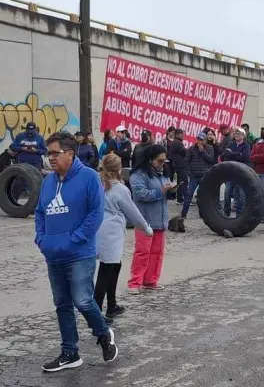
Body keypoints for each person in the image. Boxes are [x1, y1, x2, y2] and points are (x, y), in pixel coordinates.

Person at [34, 131, 117, 372]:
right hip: (53, 254)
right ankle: (70, 353)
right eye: (48, 153)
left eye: (55, 153)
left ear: (70, 154)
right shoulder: (48, 181)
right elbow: (40, 212)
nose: (50, 158)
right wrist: (41, 239)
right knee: (62, 304)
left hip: (80, 254)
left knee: (82, 300)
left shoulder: (90, 178)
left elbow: (96, 214)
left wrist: (76, 238)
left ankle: (103, 334)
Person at [95, 153, 152, 322]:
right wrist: (146, 228)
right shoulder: (120, 188)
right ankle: (96, 312)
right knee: (105, 271)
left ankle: (111, 304)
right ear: (119, 169)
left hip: (99, 230)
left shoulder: (99, 184)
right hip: (112, 233)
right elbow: (133, 212)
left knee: (114, 267)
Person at [128, 145, 173, 294]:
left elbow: (163, 192)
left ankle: (150, 280)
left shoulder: (162, 173)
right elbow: (141, 194)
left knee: (156, 252)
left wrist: (171, 190)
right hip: (144, 220)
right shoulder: (138, 175)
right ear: (150, 159)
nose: (162, 164)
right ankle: (135, 282)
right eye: (159, 161)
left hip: (160, 218)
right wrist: (161, 192)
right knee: (142, 251)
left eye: (164, 161)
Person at [181, 132, 215, 218]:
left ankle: (202, 214)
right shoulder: (191, 149)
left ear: (205, 140)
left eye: (202, 140)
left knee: (202, 196)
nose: (200, 141)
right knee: (189, 194)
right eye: (199, 139)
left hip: (204, 176)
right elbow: (186, 161)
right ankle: (184, 213)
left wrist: (202, 151)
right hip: (194, 176)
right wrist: (189, 173)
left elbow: (211, 160)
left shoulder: (210, 148)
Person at [221, 127, 250, 217]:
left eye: (239, 134)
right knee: (227, 193)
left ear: (243, 135)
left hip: (241, 173)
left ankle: (239, 214)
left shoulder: (246, 145)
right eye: (236, 134)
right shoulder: (230, 144)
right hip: (231, 173)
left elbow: (245, 157)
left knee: (241, 195)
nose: (237, 135)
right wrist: (238, 154)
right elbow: (226, 155)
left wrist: (232, 154)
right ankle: (226, 212)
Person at [171, 129, 188, 204]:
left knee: (180, 181)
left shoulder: (176, 142)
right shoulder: (177, 143)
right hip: (180, 165)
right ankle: (183, 198)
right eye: (181, 134)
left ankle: (180, 198)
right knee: (184, 181)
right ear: (177, 134)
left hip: (178, 164)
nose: (183, 135)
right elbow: (184, 152)